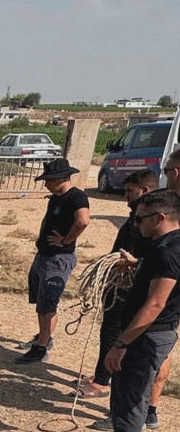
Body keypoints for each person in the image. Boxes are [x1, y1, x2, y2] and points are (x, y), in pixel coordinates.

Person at [82, 189, 180, 432]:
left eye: (140, 219)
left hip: (146, 337)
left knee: (129, 400)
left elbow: (155, 303)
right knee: (128, 396)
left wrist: (121, 344)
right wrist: (138, 266)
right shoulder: (167, 246)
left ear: (160, 217)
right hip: (156, 334)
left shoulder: (167, 252)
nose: (136, 225)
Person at [78, 169, 161, 413]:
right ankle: (103, 378)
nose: (125, 195)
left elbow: (150, 254)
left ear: (144, 190)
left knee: (115, 332)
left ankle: (103, 381)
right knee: (111, 330)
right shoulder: (138, 214)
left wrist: (133, 263)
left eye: (129, 191)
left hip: (130, 286)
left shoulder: (148, 219)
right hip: (121, 282)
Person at [17, 158, 92, 363]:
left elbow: (83, 220)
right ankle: (43, 336)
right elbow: (47, 219)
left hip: (58, 259)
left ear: (62, 177)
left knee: (48, 303)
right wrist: (41, 238)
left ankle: (41, 347)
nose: (46, 183)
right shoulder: (56, 198)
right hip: (45, 255)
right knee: (41, 302)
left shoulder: (76, 197)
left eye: (49, 179)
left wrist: (65, 241)